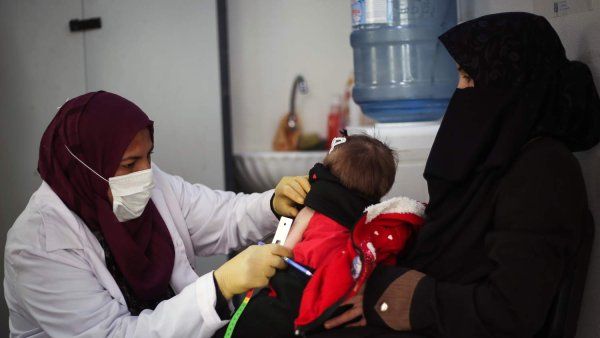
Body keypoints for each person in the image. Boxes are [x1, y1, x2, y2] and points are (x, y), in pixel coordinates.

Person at [313, 12, 600, 337]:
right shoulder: (500, 160)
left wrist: (409, 301)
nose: (460, 93)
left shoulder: (544, 171)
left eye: (468, 79)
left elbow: (511, 311)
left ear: (509, 85)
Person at [3, 91, 312, 337]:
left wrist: (271, 204)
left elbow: (223, 216)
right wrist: (218, 287)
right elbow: (113, 334)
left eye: (148, 156)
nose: (146, 173)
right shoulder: (38, 244)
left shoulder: (152, 184)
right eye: (129, 164)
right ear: (86, 167)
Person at [216, 134, 426, 337]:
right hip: (328, 284)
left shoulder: (314, 207)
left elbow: (284, 247)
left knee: (253, 322)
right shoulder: (364, 216)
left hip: (297, 275)